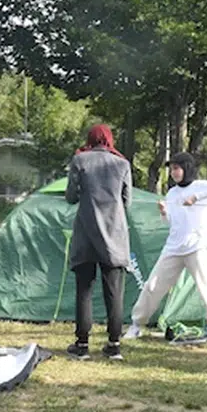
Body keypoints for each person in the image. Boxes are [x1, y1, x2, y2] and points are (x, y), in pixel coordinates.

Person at [124, 152, 207, 352]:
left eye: (176, 168)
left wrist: (195, 197)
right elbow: (173, 223)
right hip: (173, 248)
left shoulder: (202, 187)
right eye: (171, 169)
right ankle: (137, 325)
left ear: (187, 168)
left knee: (206, 290)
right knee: (153, 286)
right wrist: (165, 213)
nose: (173, 172)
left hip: (197, 247)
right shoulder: (172, 193)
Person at [64, 124, 133, 361]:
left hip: (85, 233)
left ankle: (82, 345)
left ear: (90, 139)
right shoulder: (122, 164)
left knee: (84, 290)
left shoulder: (80, 160)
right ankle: (114, 345)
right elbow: (127, 201)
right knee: (114, 293)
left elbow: (71, 197)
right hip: (114, 234)